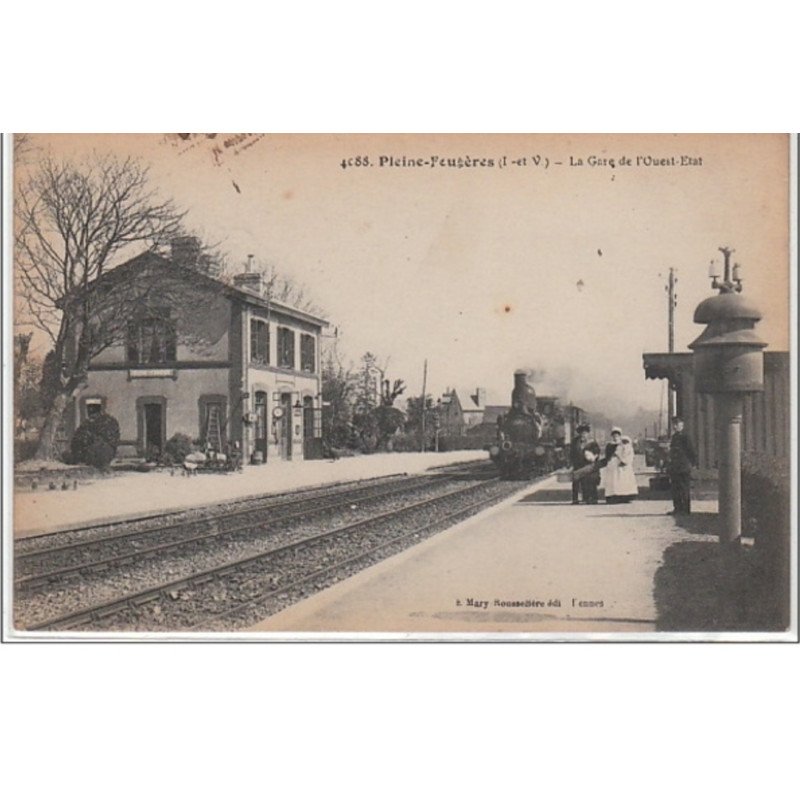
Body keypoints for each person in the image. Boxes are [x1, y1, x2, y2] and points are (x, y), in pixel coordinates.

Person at [667, 416, 697, 514]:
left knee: (684, 488)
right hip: (675, 466)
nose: (675, 427)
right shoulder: (674, 437)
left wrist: (693, 463)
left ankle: (686, 509)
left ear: (682, 425)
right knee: (675, 488)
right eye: (674, 425)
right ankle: (678, 508)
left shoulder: (685, 437)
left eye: (677, 424)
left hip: (684, 466)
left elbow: (691, 451)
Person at [601, 427, 638, 503]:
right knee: (613, 479)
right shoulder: (610, 445)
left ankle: (625, 496)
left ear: (620, 436)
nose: (615, 437)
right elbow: (607, 455)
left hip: (622, 465)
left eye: (617, 435)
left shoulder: (624, 443)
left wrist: (624, 460)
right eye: (614, 435)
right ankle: (613, 496)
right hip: (613, 464)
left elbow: (628, 453)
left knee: (623, 480)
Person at [570, 423, 601, 504]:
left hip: (589, 464)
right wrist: (570, 463)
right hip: (578, 464)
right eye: (581, 433)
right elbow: (571, 452)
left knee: (590, 481)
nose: (583, 435)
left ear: (588, 433)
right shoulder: (575, 441)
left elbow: (597, 452)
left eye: (585, 433)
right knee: (576, 481)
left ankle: (592, 498)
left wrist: (593, 458)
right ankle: (575, 499)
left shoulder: (592, 442)